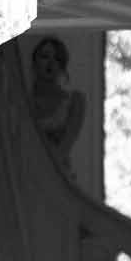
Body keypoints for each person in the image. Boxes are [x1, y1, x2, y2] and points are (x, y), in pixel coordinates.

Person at [28, 34, 86, 172]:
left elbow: (66, 145)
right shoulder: (23, 101)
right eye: (45, 56)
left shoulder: (75, 101)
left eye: (57, 58)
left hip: (58, 175)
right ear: (34, 62)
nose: (51, 63)